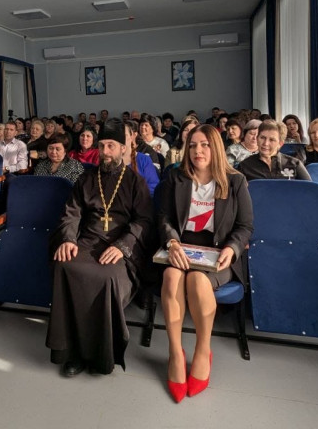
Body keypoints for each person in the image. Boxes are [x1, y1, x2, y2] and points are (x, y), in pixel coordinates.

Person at [46, 118, 154, 376]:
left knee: (106, 276)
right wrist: (68, 239)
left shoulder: (135, 182)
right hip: (88, 241)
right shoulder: (86, 178)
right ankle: (72, 352)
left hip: (122, 246)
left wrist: (123, 246)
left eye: (111, 146)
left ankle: (100, 355)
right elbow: (71, 213)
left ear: (123, 148)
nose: (105, 152)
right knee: (64, 265)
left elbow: (144, 221)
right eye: (102, 145)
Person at [158, 122, 253, 397]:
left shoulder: (235, 181)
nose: (198, 150)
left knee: (198, 281)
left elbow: (245, 226)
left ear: (217, 148)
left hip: (218, 253)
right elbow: (163, 218)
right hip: (181, 247)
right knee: (171, 276)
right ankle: (175, 353)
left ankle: (202, 350)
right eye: (193, 145)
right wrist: (172, 242)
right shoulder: (175, 178)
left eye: (205, 145)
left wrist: (232, 248)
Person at [238, 120, 310, 181]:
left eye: (272, 140)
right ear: (257, 138)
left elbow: (310, 190)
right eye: (262, 138)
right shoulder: (245, 166)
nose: (265, 143)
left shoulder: (295, 164)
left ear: (280, 144)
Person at [123, 120, 159, 196]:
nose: (120, 138)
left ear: (132, 136)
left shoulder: (144, 159)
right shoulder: (109, 160)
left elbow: (153, 187)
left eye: (124, 135)